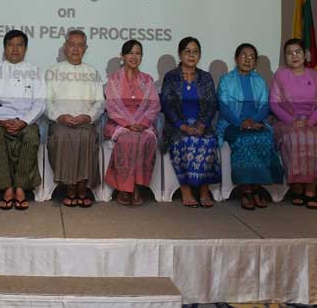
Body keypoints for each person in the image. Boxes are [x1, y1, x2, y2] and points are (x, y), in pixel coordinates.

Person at [216, 43, 283, 210]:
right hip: (232, 125)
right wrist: (242, 123)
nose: (247, 59)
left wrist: (253, 122)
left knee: (265, 138)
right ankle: (246, 189)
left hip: (257, 124)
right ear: (236, 58)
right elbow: (223, 107)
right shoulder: (226, 80)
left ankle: (257, 187)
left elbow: (265, 107)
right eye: (243, 55)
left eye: (252, 56)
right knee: (244, 140)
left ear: (256, 61)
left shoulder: (260, 81)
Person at [270, 37, 317, 210]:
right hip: (286, 122)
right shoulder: (280, 75)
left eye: (297, 52)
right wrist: (293, 121)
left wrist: (311, 121)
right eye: (289, 53)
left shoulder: (315, 75)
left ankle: (311, 189)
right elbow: (274, 104)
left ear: (305, 55)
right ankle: (297, 187)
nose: (294, 56)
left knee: (315, 139)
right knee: (294, 138)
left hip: (313, 121)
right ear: (285, 57)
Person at [0, 30, 45, 211]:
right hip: (1, 121)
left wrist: (23, 121)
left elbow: (40, 103)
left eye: (19, 45)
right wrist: (2, 121)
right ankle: (7, 188)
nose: (15, 49)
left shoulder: (35, 71)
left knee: (31, 137)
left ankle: (20, 187)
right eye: (10, 45)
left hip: (26, 121)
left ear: (25, 48)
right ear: (4, 48)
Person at [45, 30, 104, 208]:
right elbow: (46, 102)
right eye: (72, 45)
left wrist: (88, 116)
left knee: (86, 137)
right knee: (63, 137)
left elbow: (100, 103)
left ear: (86, 48)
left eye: (80, 45)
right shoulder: (53, 71)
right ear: (65, 47)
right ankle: (70, 188)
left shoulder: (92, 72)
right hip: (60, 123)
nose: (75, 49)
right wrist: (60, 116)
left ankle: (82, 187)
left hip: (85, 123)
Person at [160, 36, 221, 208]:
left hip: (202, 125)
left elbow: (212, 104)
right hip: (176, 125)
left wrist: (202, 124)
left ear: (200, 55)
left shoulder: (206, 77)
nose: (191, 55)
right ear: (180, 54)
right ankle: (186, 191)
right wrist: (182, 125)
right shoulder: (171, 77)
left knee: (208, 140)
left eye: (195, 52)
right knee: (184, 140)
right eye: (187, 51)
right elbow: (167, 104)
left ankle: (203, 191)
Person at [104, 40, 160, 206]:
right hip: (118, 125)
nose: (134, 57)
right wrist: (128, 124)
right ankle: (124, 188)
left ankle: (136, 187)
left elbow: (154, 106)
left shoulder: (147, 80)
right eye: (130, 53)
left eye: (138, 53)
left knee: (144, 140)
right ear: (122, 56)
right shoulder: (114, 79)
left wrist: (142, 124)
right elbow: (111, 107)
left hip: (144, 125)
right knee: (128, 140)